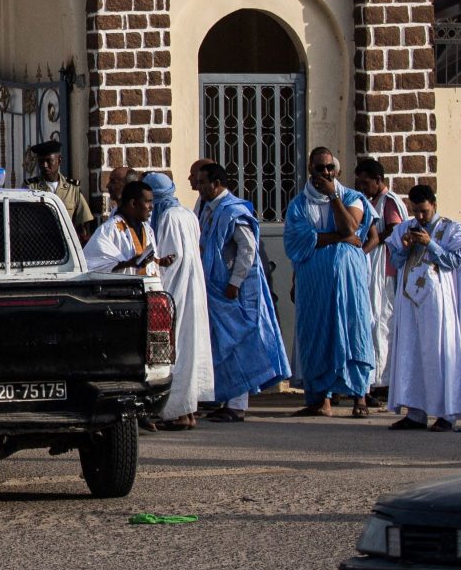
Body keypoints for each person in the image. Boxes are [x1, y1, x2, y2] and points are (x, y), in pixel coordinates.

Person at [191, 160, 288, 422]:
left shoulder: (233, 211)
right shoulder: (208, 209)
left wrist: (235, 282)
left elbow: (247, 249)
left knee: (238, 343)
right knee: (222, 344)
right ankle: (225, 397)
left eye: (202, 182)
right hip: (215, 289)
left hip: (232, 291)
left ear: (217, 184)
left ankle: (237, 404)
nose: (198, 187)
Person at [282, 148, 376, 417]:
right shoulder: (299, 205)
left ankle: (359, 398)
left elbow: (350, 228)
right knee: (317, 332)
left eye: (329, 168)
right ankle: (321, 400)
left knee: (353, 329)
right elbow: (299, 243)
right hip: (313, 281)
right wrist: (337, 237)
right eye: (320, 169)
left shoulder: (353, 198)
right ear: (310, 170)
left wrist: (333, 196)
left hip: (349, 282)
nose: (326, 173)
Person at [383, 182, 461, 431]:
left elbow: (456, 262)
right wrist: (405, 249)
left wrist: (430, 244)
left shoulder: (451, 229)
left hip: (438, 303)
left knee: (438, 354)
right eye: (415, 211)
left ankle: (446, 414)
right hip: (409, 300)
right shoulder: (406, 228)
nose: (419, 216)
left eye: (424, 211)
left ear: (434, 205)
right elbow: (394, 260)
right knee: (411, 352)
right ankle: (415, 412)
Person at [140, 172, 213, 430]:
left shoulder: (169, 217)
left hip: (177, 291)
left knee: (176, 350)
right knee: (187, 347)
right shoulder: (187, 214)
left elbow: (170, 261)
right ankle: (188, 411)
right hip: (192, 290)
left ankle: (177, 413)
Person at [350, 158, 405, 399]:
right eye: (359, 183)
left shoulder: (388, 202)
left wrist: (372, 239)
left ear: (378, 181)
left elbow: (395, 229)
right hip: (375, 271)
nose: (362, 187)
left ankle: (383, 380)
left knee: (382, 323)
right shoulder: (371, 202)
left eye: (366, 183)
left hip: (386, 273)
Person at [81, 177, 159, 275]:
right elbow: (91, 265)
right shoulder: (109, 229)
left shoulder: (147, 229)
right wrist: (127, 264)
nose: (151, 206)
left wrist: (160, 261)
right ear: (133, 203)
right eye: (148, 201)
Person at [29, 139, 93, 239]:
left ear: (59, 160)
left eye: (49, 161)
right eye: (41, 162)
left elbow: (84, 221)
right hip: (40, 243)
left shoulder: (72, 189)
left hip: (66, 244)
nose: (45, 165)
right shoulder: (31, 188)